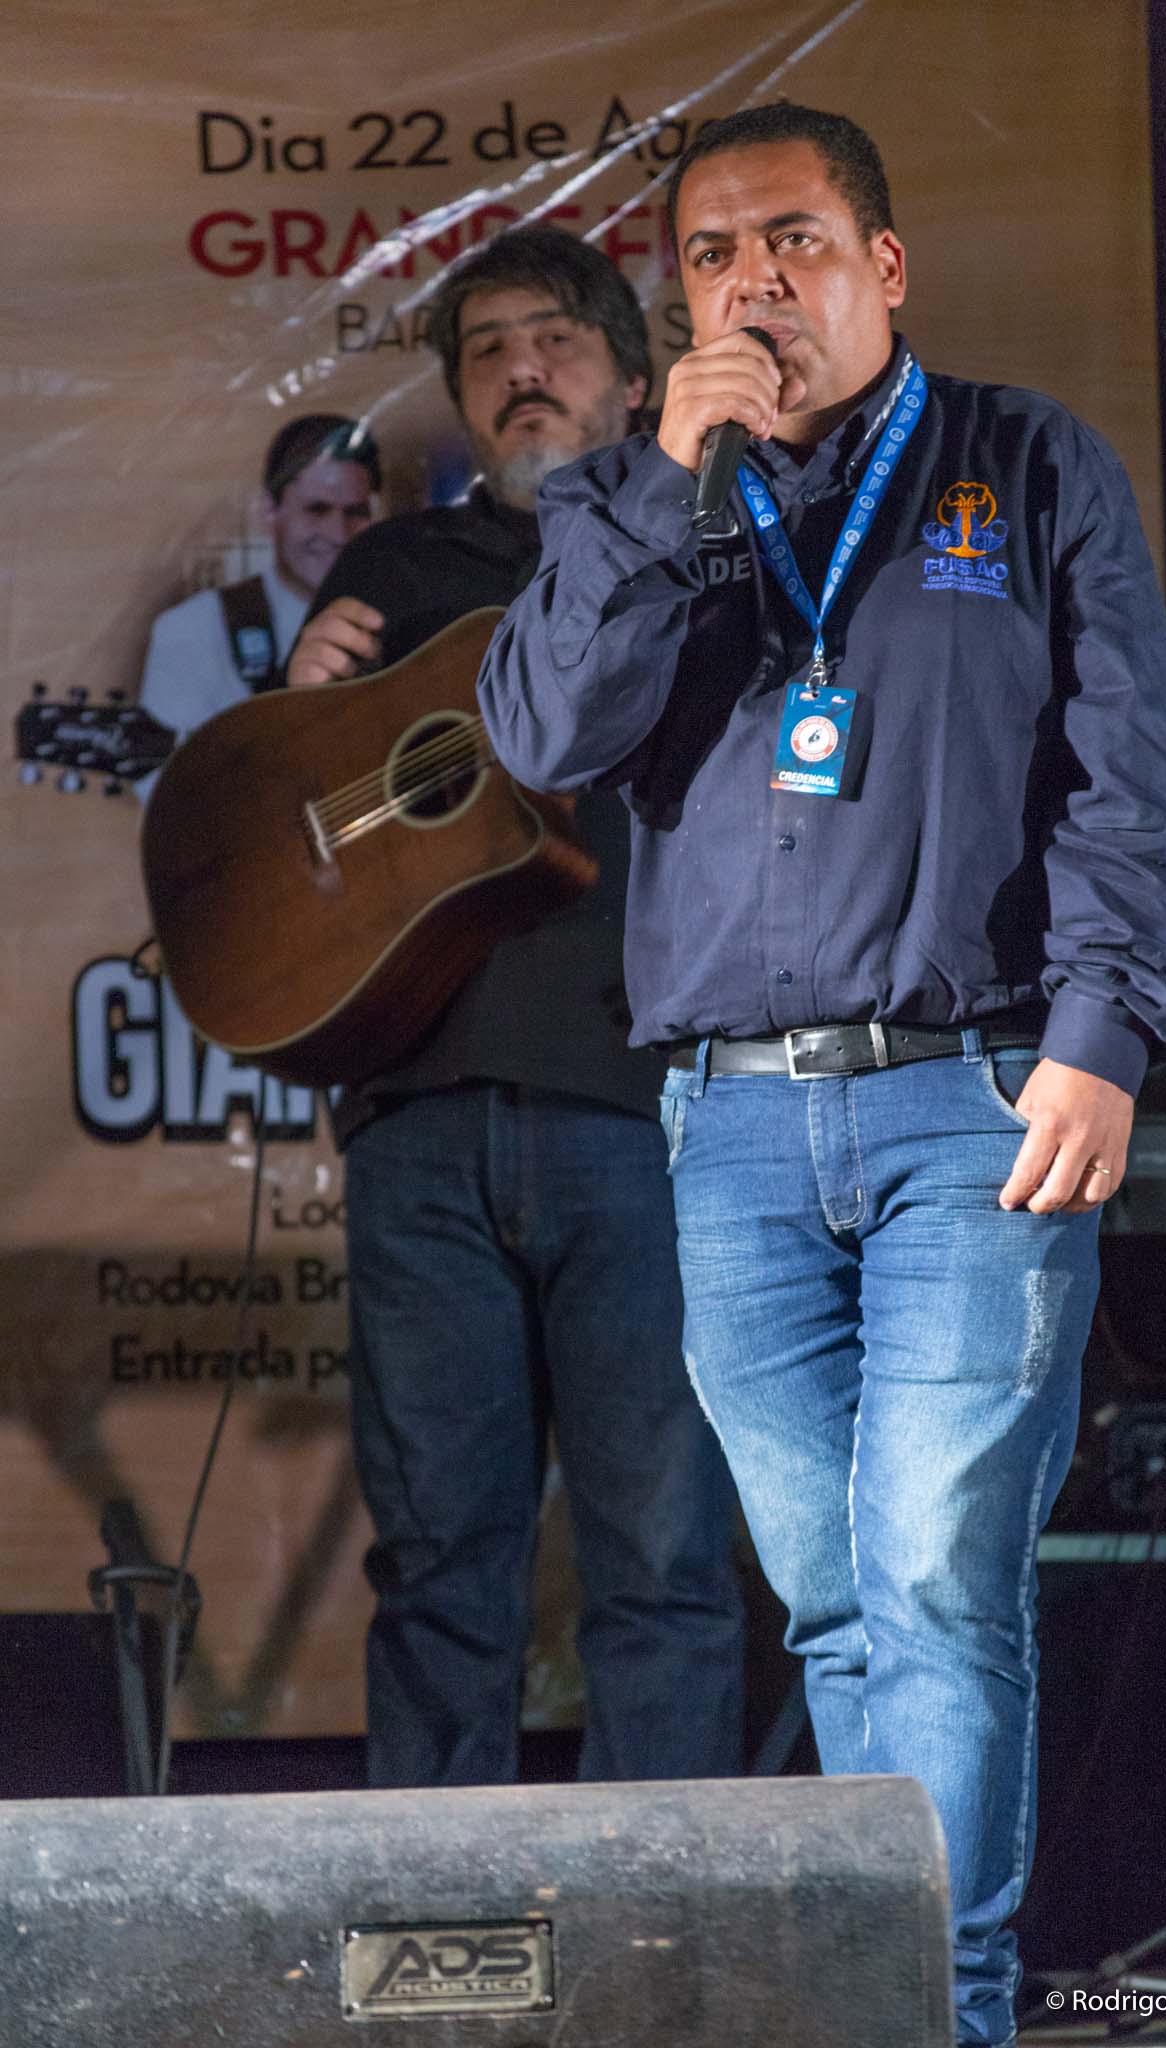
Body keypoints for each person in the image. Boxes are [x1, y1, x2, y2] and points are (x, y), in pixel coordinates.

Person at [477, 106, 1166, 2044]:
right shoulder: (636, 498)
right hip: (727, 1121)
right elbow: (541, 735)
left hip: (976, 1100)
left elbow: (1127, 779)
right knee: (829, 1599)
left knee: (936, 1580)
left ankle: (940, 2011)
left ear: (883, 265)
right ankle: (891, 1996)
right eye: (712, 255)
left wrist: (1100, 1039)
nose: (752, 282)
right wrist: (665, 480)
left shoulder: (1024, 462)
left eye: (791, 239)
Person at [287, 225, 745, 1789]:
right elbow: (302, 854)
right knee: (435, 1570)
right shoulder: (393, 576)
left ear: (633, 377)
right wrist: (299, 719)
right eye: (483, 349)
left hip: (648, 1117)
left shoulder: (720, 548)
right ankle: (437, 1920)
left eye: (552, 337)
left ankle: (663, 1919)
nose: (518, 369)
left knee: (664, 1561)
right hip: (423, 1119)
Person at [136, 414, 380, 752]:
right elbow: (164, 779)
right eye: (317, 510)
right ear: (269, 510)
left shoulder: (404, 613)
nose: (338, 534)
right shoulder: (193, 630)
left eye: (355, 512)